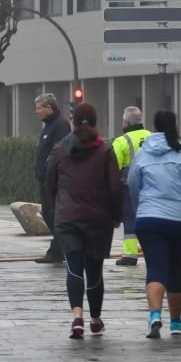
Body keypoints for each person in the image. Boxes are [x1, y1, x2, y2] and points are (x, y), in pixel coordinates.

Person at [127, 110, 181, 338]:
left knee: (155, 268)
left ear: (154, 127)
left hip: (149, 220)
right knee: (177, 269)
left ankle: (154, 315)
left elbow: (133, 184)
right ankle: (175, 322)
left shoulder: (143, 154)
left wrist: (140, 209)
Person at [46, 103, 122, 338]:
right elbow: (114, 187)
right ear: (95, 121)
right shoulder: (105, 150)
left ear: (73, 122)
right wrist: (116, 216)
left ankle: (76, 317)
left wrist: (58, 208)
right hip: (98, 220)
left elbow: (50, 184)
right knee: (94, 270)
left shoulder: (60, 150)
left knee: (74, 267)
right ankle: (95, 319)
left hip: (68, 219)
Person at [34, 92, 71, 264]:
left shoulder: (60, 125)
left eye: (39, 108)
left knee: (53, 214)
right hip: (45, 179)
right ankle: (58, 249)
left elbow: (59, 152)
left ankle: (59, 249)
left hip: (54, 180)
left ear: (49, 107)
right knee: (49, 214)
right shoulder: (49, 125)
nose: (37, 112)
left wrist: (51, 174)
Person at [112, 106, 151, 266]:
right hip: (152, 184)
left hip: (129, 187)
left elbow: (114, 167)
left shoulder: (122, 141)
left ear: (126, 122)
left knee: (130, 218)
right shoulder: (152, 137)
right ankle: (152, 251)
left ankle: (130, 255)